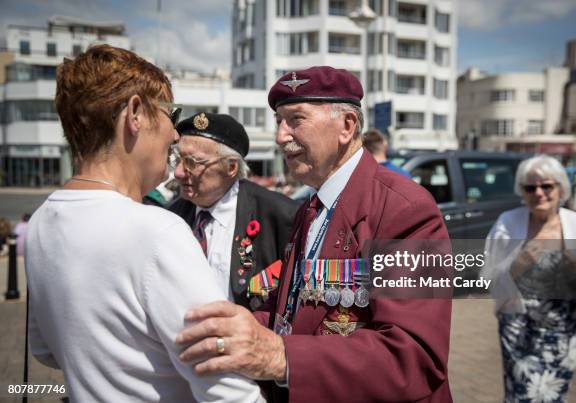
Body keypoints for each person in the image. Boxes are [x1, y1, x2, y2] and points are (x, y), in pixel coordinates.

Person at [176, 66, 453, 402]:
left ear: (346, 127)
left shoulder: (406, 208)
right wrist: (241, 324)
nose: (280, 135)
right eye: (279, 121)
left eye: (295, 119)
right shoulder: (313, 207)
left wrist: (281, 356)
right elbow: (296, 313)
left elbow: (414, 357)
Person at [24, 45, 264, 402]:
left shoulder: (42, 220)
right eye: (170, 113)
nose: (173, 133)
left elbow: (45, 350)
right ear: (135, 114)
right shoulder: (157, 231)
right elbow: (229, 388)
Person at [483, 155, 576, 402]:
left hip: (565, 331)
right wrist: (516, 266)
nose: (538, 193)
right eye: (530, 187)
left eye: (546, 186)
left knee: (554, 394)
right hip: (518, 328)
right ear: (522, 191)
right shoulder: (507, 224)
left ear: (560, 188)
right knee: (521, 393)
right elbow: (487, 276)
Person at [168, 112, 299, 311]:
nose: (178, 172)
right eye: (177, 159)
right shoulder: (171, 217)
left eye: (192, 163)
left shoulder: (279, 215)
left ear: (230, 167)